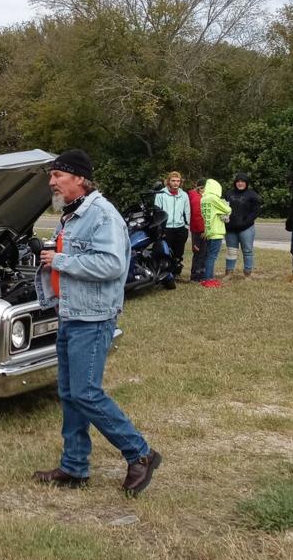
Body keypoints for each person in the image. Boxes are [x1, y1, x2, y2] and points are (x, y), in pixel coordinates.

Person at [32, 149, 161, 497]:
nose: (52, 181)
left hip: (93, 317)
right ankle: (75, 467)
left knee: (86, 392)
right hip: (71, 313)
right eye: (52, 175)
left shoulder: (102, 215)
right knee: (70, 394)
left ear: (79, 178)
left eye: (58, 175)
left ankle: (140, 453)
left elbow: (111, 265)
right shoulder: (72, 214)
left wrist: (61, 260)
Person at [153, 171, 191, 278]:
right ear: (168, 181)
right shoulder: (161, 194)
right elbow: (157, 211)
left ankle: (177, 274)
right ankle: (164, 275)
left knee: (178, 253)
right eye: (173, 181)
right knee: (165, 253)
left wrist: (186, 226)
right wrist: (160, 228)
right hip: (166, 228)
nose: (175, 183)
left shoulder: (184, 195)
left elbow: (187, 212)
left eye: (178, 181)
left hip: (180, 228)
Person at [223, 174, 262, 277]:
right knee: (231, 251)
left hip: (246, 228)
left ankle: (247, 274)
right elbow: (223, 209)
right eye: (238, 181)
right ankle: (229, 273)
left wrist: (246, 222)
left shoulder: (252, 195)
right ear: (235, 183)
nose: (240, 183)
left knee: (247, 251)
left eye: (243, 181)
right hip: (230, 229)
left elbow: (256, 211)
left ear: (246, 183)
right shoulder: (228, 194)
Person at [199, 179, 231, 287]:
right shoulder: (213, 198)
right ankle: (209, 279)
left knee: (209, 255)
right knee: (212, 257)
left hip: (208, 230)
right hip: (216, 231)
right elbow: (227, 209)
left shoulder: (203, 199)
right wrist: (224, 204)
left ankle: (207, 278)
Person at [187, 178, 207, 282]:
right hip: (198, 229)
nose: (203, 189)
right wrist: (202, 229)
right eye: (201, 187)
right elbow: (195, 215)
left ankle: (203, 273)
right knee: (198, 252)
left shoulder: (207, 196)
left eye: (205, 187)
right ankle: (195, 275)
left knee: (205, 252)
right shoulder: (193, 196)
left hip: (207, 229)